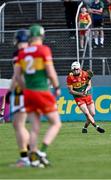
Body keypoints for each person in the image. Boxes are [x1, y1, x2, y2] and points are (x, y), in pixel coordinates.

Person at [13, 24, 62, 167]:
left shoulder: (22, 53)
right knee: (56, 123)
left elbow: (17, 76)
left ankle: (33, 159)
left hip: (28, 93)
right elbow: (50, 71)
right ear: (42, 36)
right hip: (42, 91)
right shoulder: (44, 50)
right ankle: (42, 152)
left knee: (34, 127)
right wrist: (57, 87)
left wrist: (25, 88)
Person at [8, 29, 30, 167]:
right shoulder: (34, 51)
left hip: (21, 91)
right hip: (34, 89)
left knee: (19, 124)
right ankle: (30, 154)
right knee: (20, 124)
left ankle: (26, 158)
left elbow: (17, 75)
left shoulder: (18, 54)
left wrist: (10, 92)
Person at [66, 61, 105, 133]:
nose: (76, 71)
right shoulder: (70, 78)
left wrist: (86, 90)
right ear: (72, 70)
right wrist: (80, 94)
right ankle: (96, 127)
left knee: (92, 113)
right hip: (78, 98)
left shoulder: (85, 74)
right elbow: (71, 91)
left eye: (77, 69)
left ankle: (84, 128)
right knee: (87, 113)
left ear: (80, 68)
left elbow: (89, 85)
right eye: (74, 69)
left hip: (87, 95)